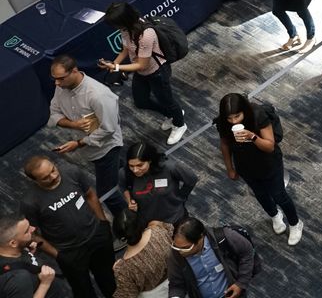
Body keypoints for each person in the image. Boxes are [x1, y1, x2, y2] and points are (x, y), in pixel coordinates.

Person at [19, 155, 116, 298]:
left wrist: (103, 223)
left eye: (53, 170)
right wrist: (57, 255)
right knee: (83, 291)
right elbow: (31, 233)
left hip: (97, 237)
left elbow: (90, 195)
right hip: (70, 253)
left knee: (111, 280)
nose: (53, 176)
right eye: (46, 177)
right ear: (35, 181)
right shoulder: (30, 202)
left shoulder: (72, 172)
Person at [213, 93, 303, 245]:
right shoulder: (223, 121)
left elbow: (269, 146)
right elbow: (225, 144)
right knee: (260, 194)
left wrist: (252, 137)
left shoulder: (257, 115)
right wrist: (230, 168)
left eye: (237, 116)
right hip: (245, 166)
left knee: (279, 195)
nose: (233, 121)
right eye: (230, 118)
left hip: (268, 163)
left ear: (244, 111)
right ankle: (274, 215)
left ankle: (295, 223)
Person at [45, 55, 124, 218]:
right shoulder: (61, 87)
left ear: (74, 71)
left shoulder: (98, 95)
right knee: (118, 169)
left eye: (60, 78)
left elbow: (109, 129)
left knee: (107, 193)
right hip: (87, 148)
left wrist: (79, 143)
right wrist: (73, 125)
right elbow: (54, 113)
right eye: (54, 79)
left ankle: (128, 222)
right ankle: (127, 175)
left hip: (105, 148)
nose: (56, 83)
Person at [96, 3, 187, 146]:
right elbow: (125, 50)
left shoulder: (146, 34)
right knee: (141, 101)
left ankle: (180, 124)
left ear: (124, 20)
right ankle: (172, 114)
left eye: (116, 24)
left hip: (157, 72)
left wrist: (117, 67)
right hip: (141, 71)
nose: (115, 28)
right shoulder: (126, 29)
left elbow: (142, 64)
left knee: (167, 100)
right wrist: (113, 64)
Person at [168, 217, 258, 298]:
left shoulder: (225, 237)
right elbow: (176, 284)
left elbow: (247, 252)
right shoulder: (176, 255)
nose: (180, 251)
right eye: (176, 246)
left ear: (200, 239)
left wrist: (240, 284)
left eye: (186, 248)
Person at [122, 141, 196, 232]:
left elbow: (191, 179)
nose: (135, 170)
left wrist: (180, 197)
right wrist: (129, 200)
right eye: (131, 166)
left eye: (140, 165)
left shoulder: (169, 167)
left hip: (175, 219)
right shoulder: (125, 173)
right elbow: (123, 186)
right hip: (149, 225)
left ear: (149, 160)